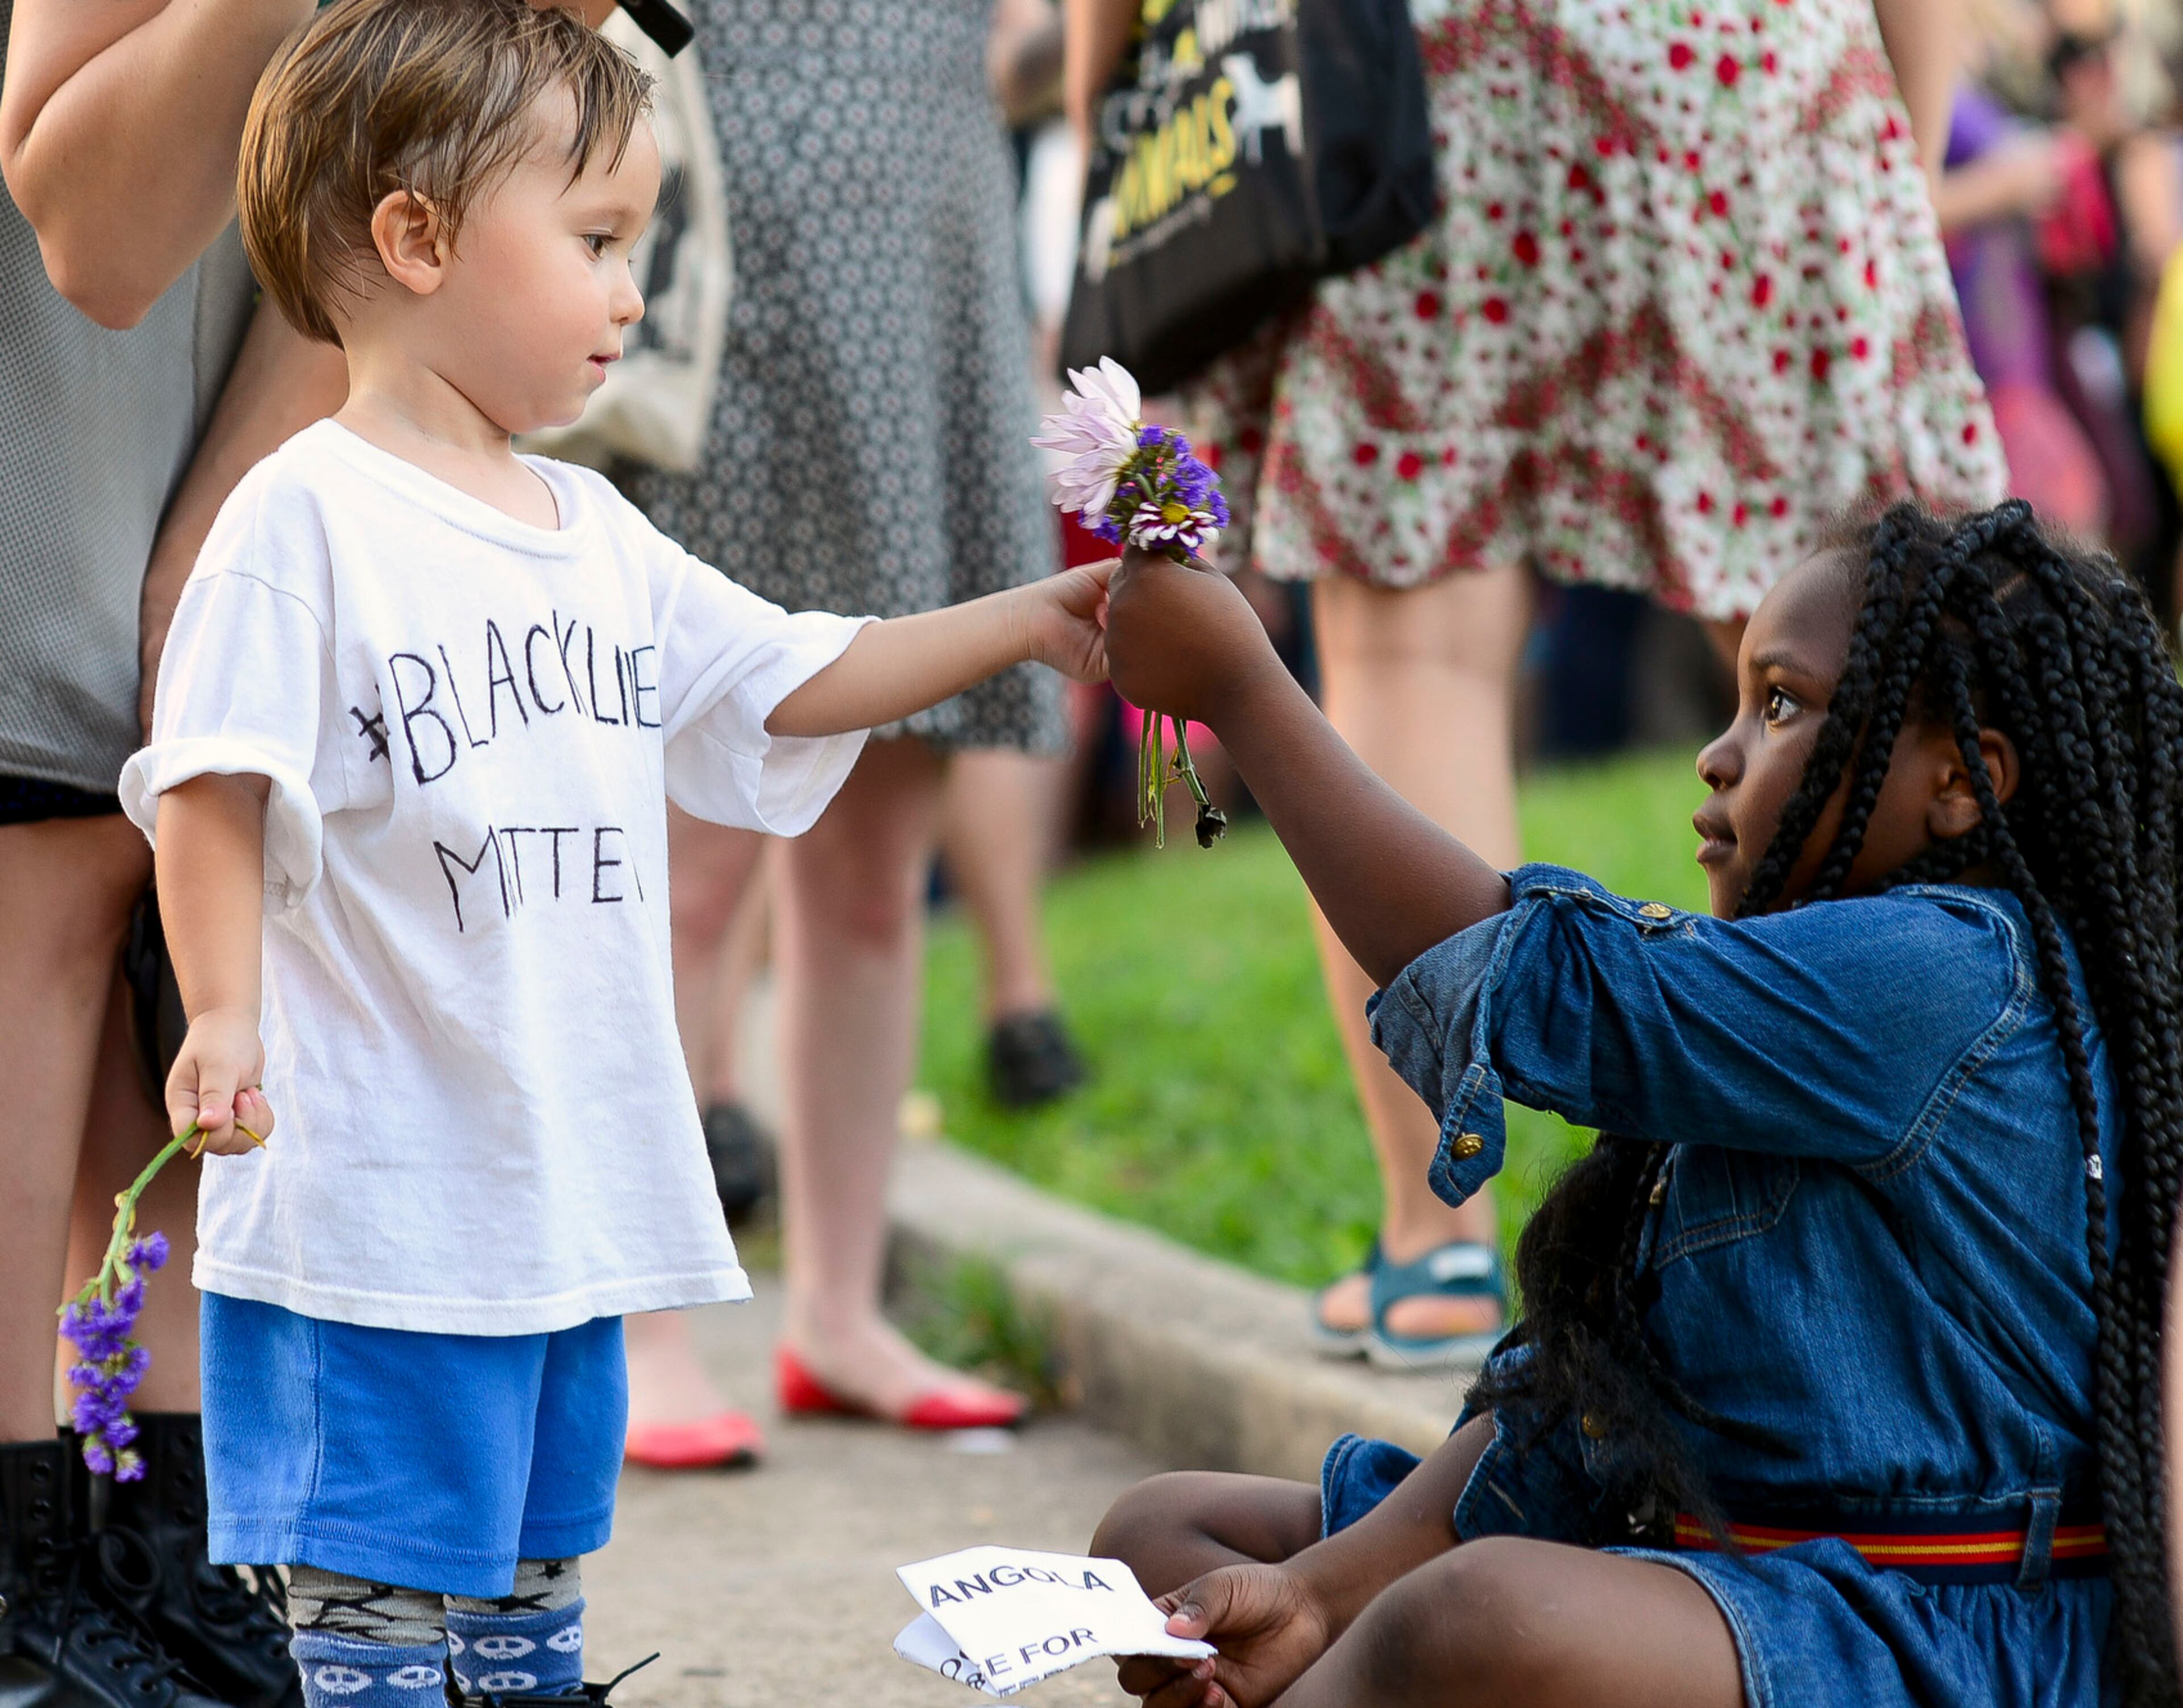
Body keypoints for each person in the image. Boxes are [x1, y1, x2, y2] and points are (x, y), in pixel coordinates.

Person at [122, 8, 1113, 1708]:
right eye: (594, 243)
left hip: (558, 1190)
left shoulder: (596, 533)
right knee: (370, 1603)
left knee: (529, 1579)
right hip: (376, 1205)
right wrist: (220, 1012)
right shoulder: (302, 520)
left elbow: (793, 669)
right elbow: (213, 781)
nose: (631, 293)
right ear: (417, 237)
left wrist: (1026, 615)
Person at [1088, 501, 2173, 1707]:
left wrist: (1246, 685)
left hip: (1928, 1631)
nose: (1717, 754)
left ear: (1963, 780)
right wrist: (1323, 1590)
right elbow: (1585, 1401)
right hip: (1696, 1566)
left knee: (1476, 1615)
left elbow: (1561, 984)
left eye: (1778, 702)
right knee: (1164, 1538)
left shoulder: (1951, 974)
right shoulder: (1807, 1003)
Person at [1065, 0, 2007, 1371]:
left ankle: (1436, 1237)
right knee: (1857, 610)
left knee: (1414, 653)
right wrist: (1892, 132)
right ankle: (1892, 1194)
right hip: (1741, 50)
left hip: (1410, 77)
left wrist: (1110, 91)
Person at [614, 0, 1070, 1448]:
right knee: (689, 873)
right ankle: (643, 1328)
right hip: (723, 266)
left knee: (876, 873)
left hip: (932, 251)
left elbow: (1035, 43)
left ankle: (839, 1310)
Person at [0, 0, 344, 1699]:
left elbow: (472, 98)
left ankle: (147, 1549)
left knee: (178, 903)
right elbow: (96, 242)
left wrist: (246, 485)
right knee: (44, 863)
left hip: (317, 291)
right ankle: (24, 1579)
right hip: (97, 248)